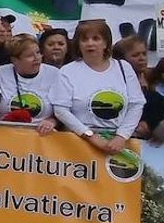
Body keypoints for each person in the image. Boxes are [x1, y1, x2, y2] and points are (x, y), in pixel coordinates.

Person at [51, 20, 145, 158]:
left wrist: (121, 136)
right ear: (78, 44)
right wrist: (90, 136)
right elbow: (61, 110)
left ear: (106, 43)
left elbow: (136, 104)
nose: (90, 43)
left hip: (119, 143)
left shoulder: (123, 68)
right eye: (84, 39)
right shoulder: (67, 71)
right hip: (79, 143)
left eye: (96, 39)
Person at [0, 35, 59, 134]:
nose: (37, 58)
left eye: (38, 53)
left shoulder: (54, 73)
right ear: (14, 60)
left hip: (41, 136)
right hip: (4, 133)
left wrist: (52, 121)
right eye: (30, 56)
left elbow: (62, 108)